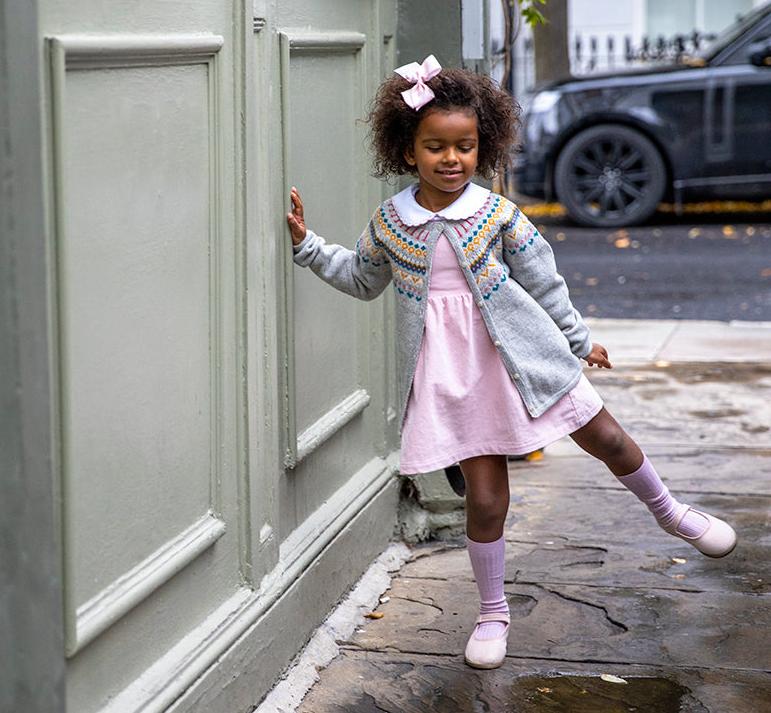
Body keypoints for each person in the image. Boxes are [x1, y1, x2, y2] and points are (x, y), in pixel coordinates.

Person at [286, 56, 737, 670]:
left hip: (526, 356)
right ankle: (492, 611)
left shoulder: (497, 215)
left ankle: (672, 513)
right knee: (487, 497)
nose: (451, 159)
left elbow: (544, 281)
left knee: (606, 436)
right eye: (435, 147)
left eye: (465, 147)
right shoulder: (393, 222)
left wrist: (577, 340)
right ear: (407, 150)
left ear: (483, 147)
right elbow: (363, 278)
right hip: (456, 378)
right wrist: (309, 247)